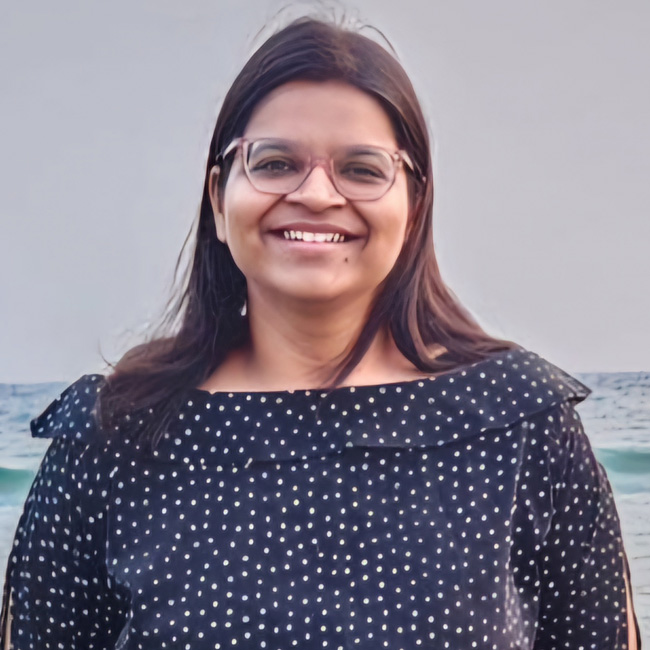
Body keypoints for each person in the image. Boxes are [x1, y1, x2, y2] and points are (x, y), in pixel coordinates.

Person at [1, 16, 640, 650]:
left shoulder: (521, 425)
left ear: (414, 207)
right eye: (275, 163)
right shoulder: (111, 437)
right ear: (219, 199)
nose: (315, 194)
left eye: (361, 169)